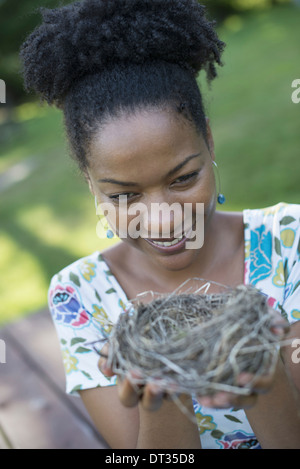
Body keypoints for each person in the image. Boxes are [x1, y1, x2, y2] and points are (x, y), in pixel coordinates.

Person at [20, 0, 300, 449]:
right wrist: (162, 398)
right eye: (123, 195)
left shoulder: (291, 243)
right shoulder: (81, 295)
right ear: (89, 182)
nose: (166, 219)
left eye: (184, 178)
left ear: (208, 140)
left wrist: (259, 377)